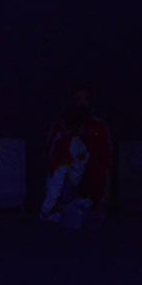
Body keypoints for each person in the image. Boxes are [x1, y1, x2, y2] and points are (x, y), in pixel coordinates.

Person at [44, 86, 111, 221]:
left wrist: (103, 200)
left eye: (85, 99)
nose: (81, 103)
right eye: (77, 99)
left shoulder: (100, 127)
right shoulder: (60, 128)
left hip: (92, 197)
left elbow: (107, 164)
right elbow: (52, 164)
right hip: (65, 198)